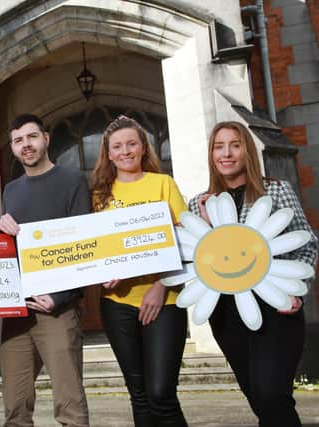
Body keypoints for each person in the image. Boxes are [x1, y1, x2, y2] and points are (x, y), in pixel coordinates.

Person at [189, 121, 318, 427]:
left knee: (272, 393)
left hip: (275, 305)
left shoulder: (275, 190)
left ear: (247, 151)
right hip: (226, 312)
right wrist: (206, 221)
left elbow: (306, 243)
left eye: (235, 145)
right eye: (219, 147)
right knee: (258, 398)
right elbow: (203, 259)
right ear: (211, 154)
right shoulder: (199, 203)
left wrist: (296, 292)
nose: (227, 154)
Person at [90, 115, 188, 427]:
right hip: (117, 304)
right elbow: (96, 246)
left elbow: (184, 239)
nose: (125, 151)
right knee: (140, 395)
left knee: (162, 392)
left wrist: (162, 284)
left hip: (165, 299)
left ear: (143, 148)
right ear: (108, 153)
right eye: (117, 146)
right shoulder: (99, 194)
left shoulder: (163, 184)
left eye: (132, 143)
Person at [0, 113, 90, 427]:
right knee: (15, 407)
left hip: (57, 309)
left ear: (46, 139)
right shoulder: (11, 190)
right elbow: (12, 250)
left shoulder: (73, 180)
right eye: (18, 140)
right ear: (12, 147)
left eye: (31, 137)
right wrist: (1, 229)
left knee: (70, 406)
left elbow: (85, 245)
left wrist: (61, 296)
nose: (26, 145)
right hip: (17, 311)